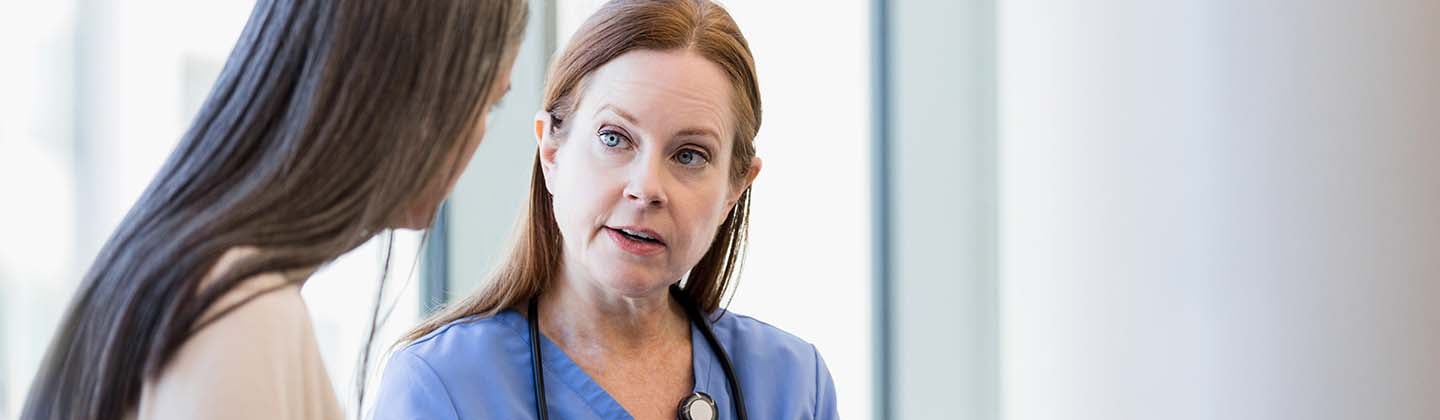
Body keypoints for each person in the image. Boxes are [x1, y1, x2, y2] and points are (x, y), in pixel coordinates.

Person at [20, 0, 527, 419]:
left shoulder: (201, 280)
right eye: (487, 102)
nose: (480, 134)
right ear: (409, 93)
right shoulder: (242, 312)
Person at [374, 1, 839, 419]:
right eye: (614, 138)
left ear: (736, 188)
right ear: (551, 151)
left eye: (690, 155)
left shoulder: (794, 385)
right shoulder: (442, 385)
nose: (646, 188)